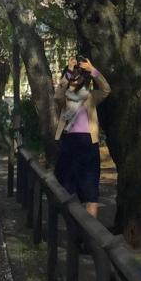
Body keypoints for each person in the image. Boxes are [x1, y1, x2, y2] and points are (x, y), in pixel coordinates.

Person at [53, 56, 111, 219]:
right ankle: (74, 230)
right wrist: (69, 71)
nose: (75, 79)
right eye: (72, 76)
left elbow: (106, 90)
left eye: (78, 75)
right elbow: (57, 95)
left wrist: (93, 71)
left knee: (91, 193)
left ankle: (90, 236)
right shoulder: (64, 98)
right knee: (67, 190)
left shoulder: (91, 96)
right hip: (69, 144)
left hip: (88, 145)